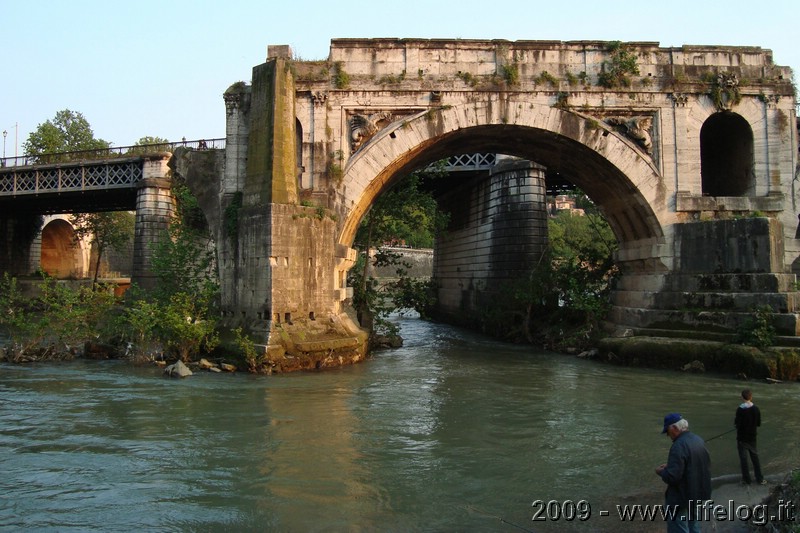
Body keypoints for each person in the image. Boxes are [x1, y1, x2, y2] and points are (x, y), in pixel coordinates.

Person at [655, 413, 711, 533]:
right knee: (694, 525)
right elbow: (697, 464)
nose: (667, 435)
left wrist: (661, 472)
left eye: (667, 431)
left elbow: (672, 477)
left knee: (678, 527)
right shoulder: (698, 439)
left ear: (674, 428)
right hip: (697, 493)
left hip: (681, 497)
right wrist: (671, 466)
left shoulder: (678, 446)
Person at [734, 389, 765, 485]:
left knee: (744, 460)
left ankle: (746, 480)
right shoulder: (756, 409)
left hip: (742, 439)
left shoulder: (740, 409)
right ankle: (760, 479)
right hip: (752, 438)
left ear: (742, 397)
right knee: (755, 459)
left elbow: (737, 424)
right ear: (751, 397)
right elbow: (758, 423)